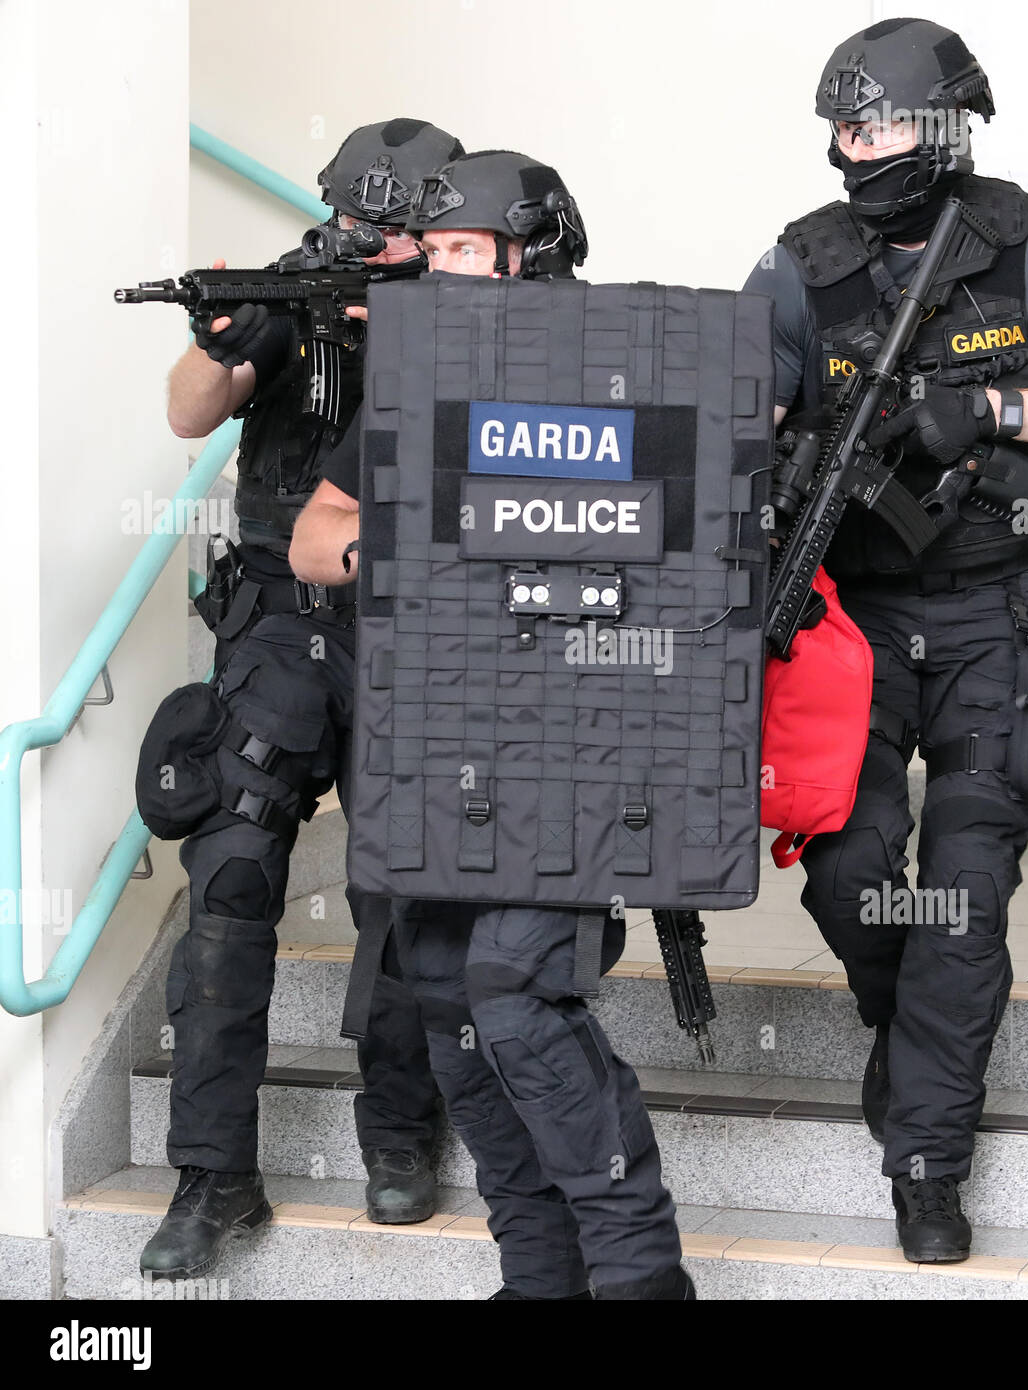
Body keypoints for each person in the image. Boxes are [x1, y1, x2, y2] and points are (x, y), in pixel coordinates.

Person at [744, 18, 1028, 1263]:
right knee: (850, 871)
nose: (848, 149)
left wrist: (990, 407)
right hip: (850, 627)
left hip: (997, 619)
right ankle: (911, 1030)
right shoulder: (797, 265)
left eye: (871, 124)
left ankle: (926, 1161)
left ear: (939, 126)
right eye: (838, 126)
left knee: (963, 895)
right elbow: (729, 416)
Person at [291, 150, 694, 1300]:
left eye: (464, 249)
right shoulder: (411, 380)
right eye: (434, 253)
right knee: (437, 992)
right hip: (440, 734)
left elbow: (686, 543)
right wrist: (395, 555)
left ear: (536, 246)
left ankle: (639, 1275)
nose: (443, 272)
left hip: (585, 737)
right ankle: (537, 1275)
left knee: (514, 991)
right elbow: (313, 540)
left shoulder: (634, 362)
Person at [139, 119, 464, 1281]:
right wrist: (218, 337)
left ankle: (399, 1135)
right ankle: (211, 1176)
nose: (378, 242)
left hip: (410, 617)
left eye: (405, 225)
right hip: (279, 617)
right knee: (229, 876)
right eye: (363, 222)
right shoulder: (288, 293)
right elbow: (189, 407)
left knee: (403, 885)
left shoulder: (472, 305)